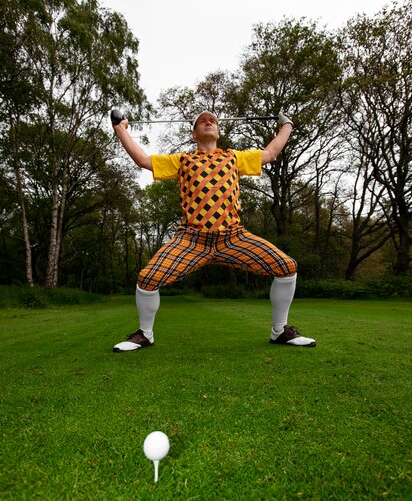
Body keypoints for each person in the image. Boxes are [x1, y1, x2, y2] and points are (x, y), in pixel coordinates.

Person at [112, 110, 316, 352]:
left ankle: (280, 331)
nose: (208, 122)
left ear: (218, 132)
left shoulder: (234, 157)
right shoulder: (183, 160)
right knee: (147, 279)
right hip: (191, 239)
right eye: (202, 121)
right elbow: (143, 160)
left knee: (287, 267)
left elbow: (271, 153)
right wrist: (120, 129)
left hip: (233, 236)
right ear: (194, 133)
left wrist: (287, 125)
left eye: (213, 121)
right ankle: (145, 334)